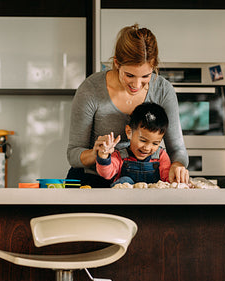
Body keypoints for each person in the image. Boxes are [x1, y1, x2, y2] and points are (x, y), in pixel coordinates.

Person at [66, 24, 189, 187]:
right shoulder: (91, 89)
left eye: (146, 76)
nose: (137, 84)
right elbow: (73, 154)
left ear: (154, 67)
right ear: (117, 63)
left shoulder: (163, 90)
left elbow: (178, 150)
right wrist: (98, 153)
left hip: (147, 184)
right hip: (93, 181)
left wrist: (177, 165)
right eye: (130, 75)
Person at [95, 102, 171, 187]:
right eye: (143, 140)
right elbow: (106, 173)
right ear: (129, 132)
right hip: (125, 198)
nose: (147, 148)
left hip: (152, 198)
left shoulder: (160, 156)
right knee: (125, 180)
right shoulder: (120, 156)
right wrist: (103, 154)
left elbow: (168, 179)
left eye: (155, 143)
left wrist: (178, 178)